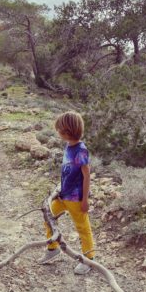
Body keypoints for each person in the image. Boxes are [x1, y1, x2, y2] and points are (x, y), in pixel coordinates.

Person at [39, 111, 95, 275]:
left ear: (67, 131)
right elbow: (67, 171)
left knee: (82, 228)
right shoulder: (68, 146)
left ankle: (88, 259)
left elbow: (86, 176)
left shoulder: (81, 151)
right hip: (63, 195)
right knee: (49, 216)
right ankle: (52, 248)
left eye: (59, 130)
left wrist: (85, 200)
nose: (57, 132)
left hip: (76, 198)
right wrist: (59, 189)